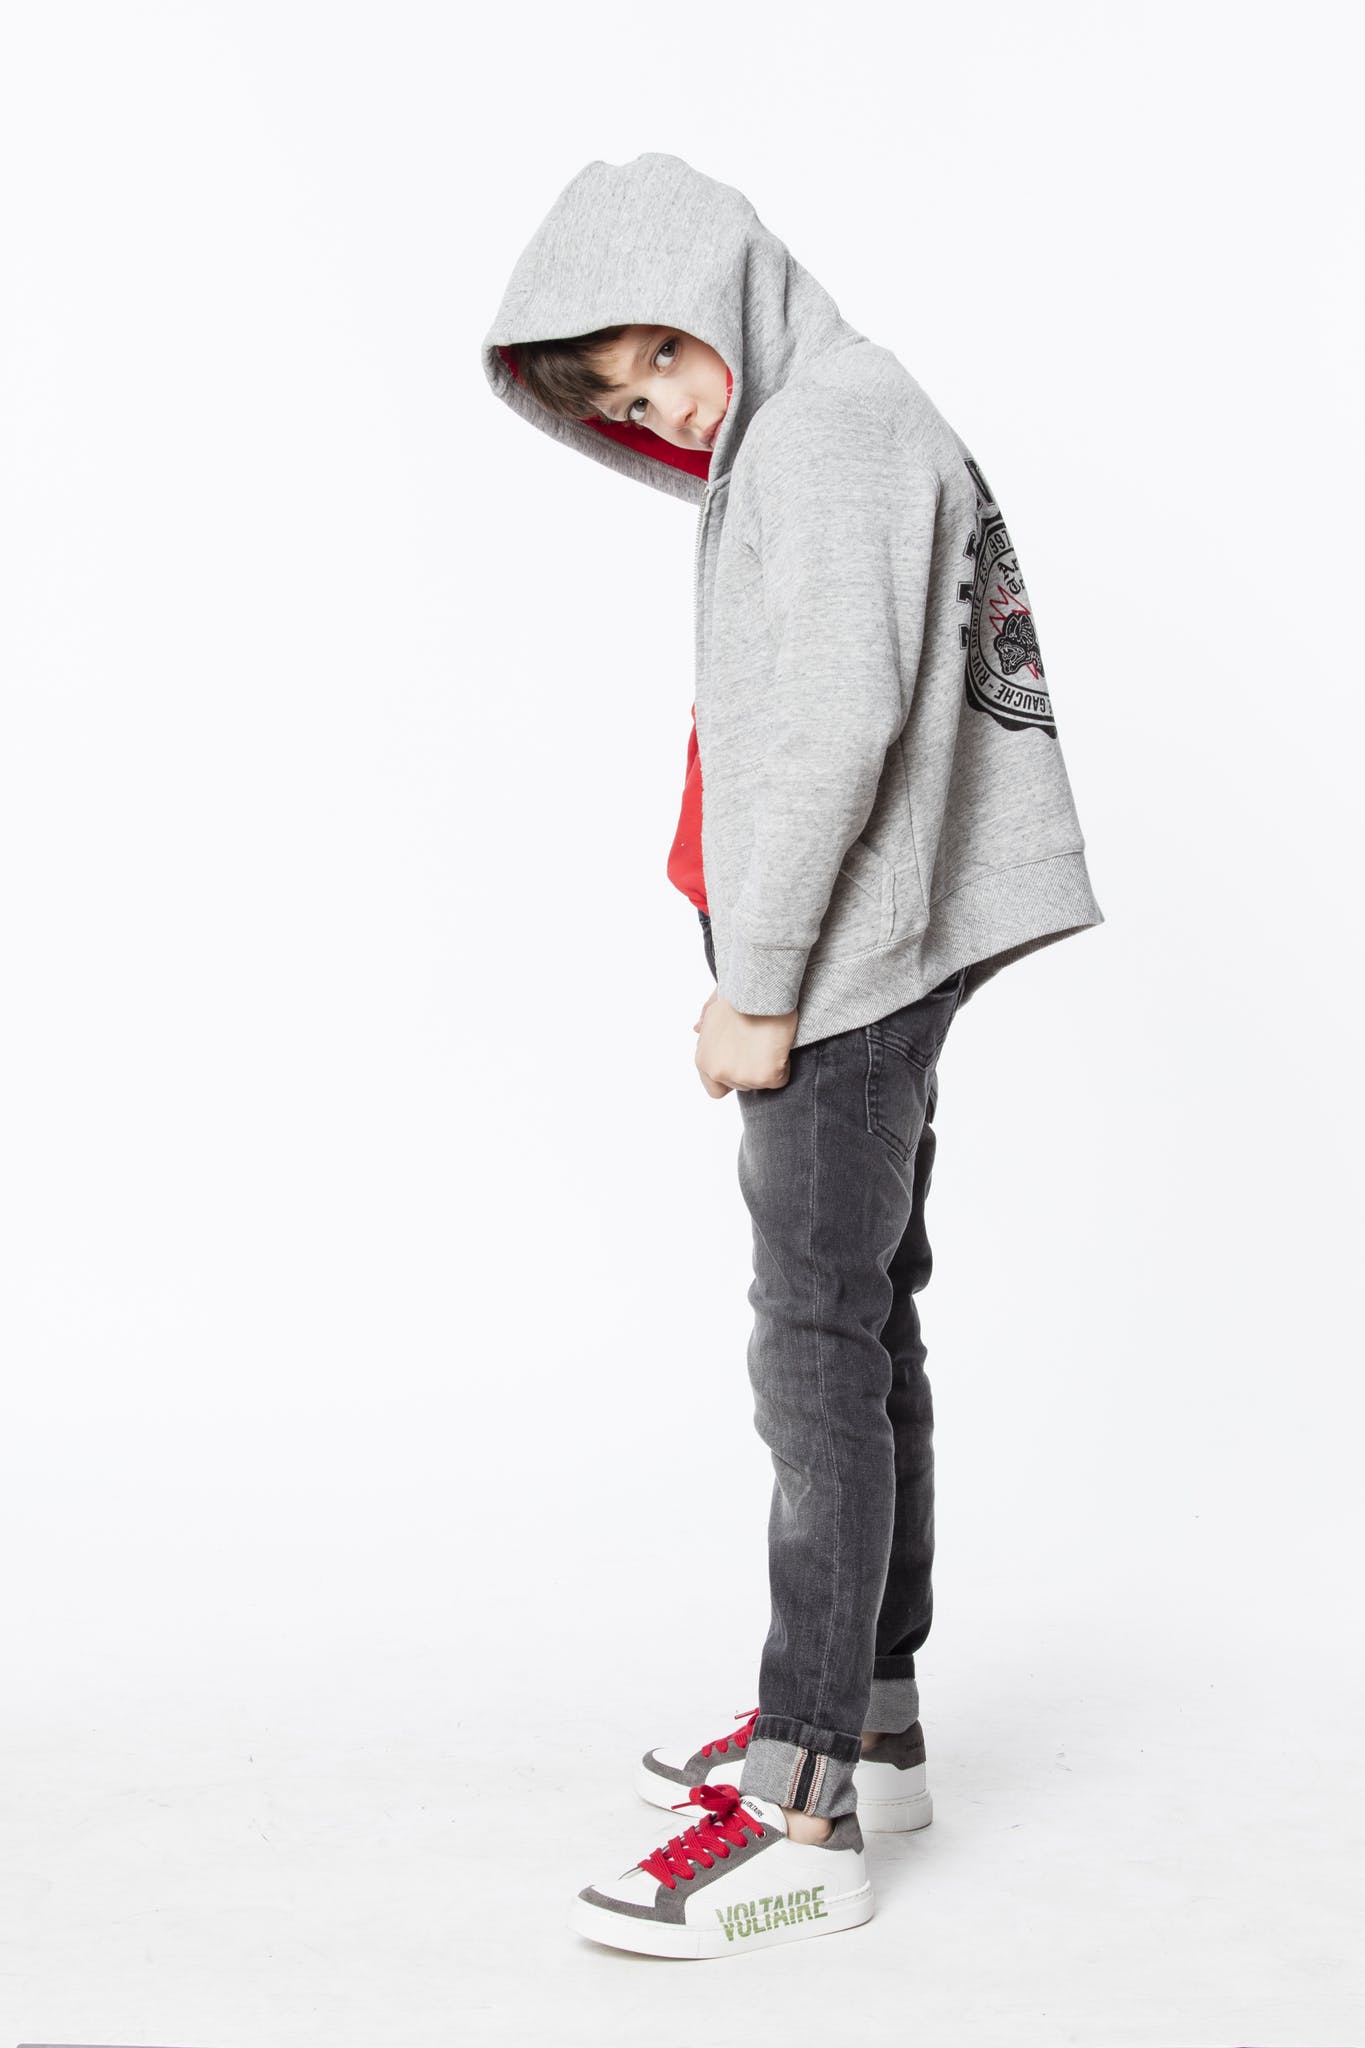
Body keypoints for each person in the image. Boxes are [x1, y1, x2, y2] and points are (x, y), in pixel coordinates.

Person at [481, 152, 1105, 1962]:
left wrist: (757, 985)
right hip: (838, 945)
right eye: (617, 391)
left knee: (812, 1354)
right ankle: (870, 1727)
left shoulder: (830, 425)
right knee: (860, 1324)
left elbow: (836, 725)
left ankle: (799, 1810)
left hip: (833, 963)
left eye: (661, 355)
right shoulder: (816, 419)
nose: (657, 405)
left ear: (724, 291)